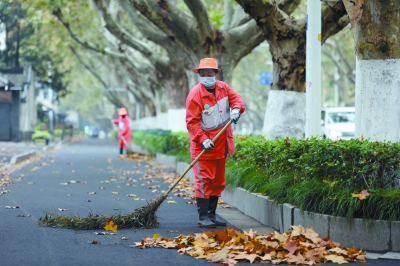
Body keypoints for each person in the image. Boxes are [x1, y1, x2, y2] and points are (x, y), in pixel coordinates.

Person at [186, 58, 245, 228]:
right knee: (204, 181)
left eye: (209, 73)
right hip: (203, 148)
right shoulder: (195, 95)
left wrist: (235, 109)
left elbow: (237, 100)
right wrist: (203, 139)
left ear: (216, 73)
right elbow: (191, 122)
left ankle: (212, 214)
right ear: (199, 74)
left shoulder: (224, 88)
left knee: (217, 182)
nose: (206, 76)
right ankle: (203, 216)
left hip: (221, 145)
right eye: (203, 73)